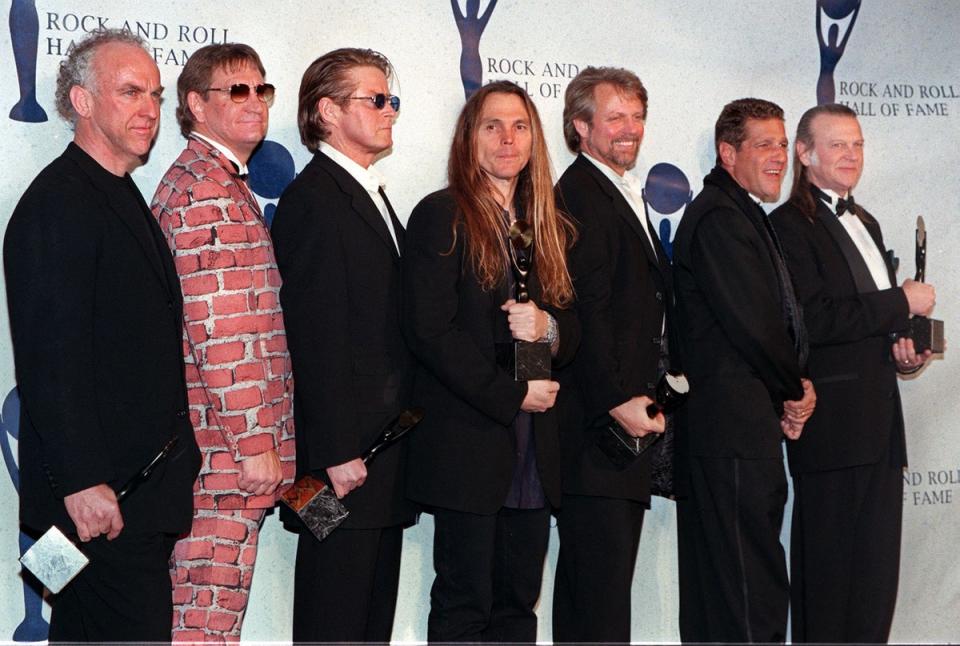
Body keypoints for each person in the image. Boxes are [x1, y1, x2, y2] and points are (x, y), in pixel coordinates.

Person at [3, 29, 200, 642]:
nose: (149, 109)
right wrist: (84, 481)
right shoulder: (59, 204)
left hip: (132, 499)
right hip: (99, 503)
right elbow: (50, 362)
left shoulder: (116, 191)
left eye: (156, 95)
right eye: (130, 92)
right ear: (82, 102)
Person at [403, 80, 579, 643]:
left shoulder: (542, 223)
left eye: (520, 125)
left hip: (533, 449)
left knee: (517, 609)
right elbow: (430, 332)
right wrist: (510, 395)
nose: (509, 138)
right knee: (465, 604)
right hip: (471, 443)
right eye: (492, 126)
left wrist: (549, 328)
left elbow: (576, 328)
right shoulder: (442, 215)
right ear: (468, 139)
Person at [769, 103, 936, 643]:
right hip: (831, 429)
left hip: (882, 429)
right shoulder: (787, 226)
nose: (850, 154)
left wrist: (901, 346)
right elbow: (811, 319)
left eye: (857, 144)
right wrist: (898, 302)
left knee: (874, 585)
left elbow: (870, 322)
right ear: (804, 153)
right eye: (837, 144)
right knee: (827, 584)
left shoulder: (866, 220)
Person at [150, 43, 295, 641]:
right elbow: (221, 333)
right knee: (203, 626)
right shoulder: (204, 192)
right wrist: (256, 441)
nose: (254, 102)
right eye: (237, 90)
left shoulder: (219, 182)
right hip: (222, 463)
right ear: (195, 105)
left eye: (262, 90)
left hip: (224, 459)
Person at [271, 48, 413, 642]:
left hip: (379, 459)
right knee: (334, 615)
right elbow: (312, 336)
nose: (389, 113)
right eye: (375, 100)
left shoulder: (367, 191)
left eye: (392, 101)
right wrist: (333, 452)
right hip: (338, 468)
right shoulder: (314, 201)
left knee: (370, 618)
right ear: (327, 111)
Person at [672, 98, 817, 643]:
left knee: (729, 589)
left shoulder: (736, 212)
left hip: (732, 430)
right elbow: (756, 324)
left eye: (783, 144)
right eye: (765, 144)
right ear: (727, 152)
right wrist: (795, 389)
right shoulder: (719, 218)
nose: (780, 156)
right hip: (731, 432)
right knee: (746, 589)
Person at [550, 66, 671, 643]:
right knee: (596, 605)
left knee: (596, 599)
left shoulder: (617, 188)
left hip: (619, 429)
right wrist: (617, 399)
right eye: (615, 116)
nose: (631, 128)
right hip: (596, 432)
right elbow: (582, 309)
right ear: (580, 126)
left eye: (637, 115)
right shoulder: (578, 193)